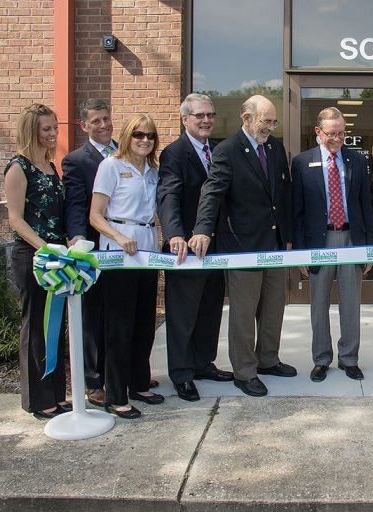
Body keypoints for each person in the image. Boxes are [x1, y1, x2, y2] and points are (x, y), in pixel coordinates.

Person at [189, 95, 295, 397]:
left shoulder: (275, 148)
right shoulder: (227, 151)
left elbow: (281, 195)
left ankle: (268, 360)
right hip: (242, 245)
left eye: (274, 122)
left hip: (273, 244)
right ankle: (244, 371)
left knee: (274, 306)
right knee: (244, 313)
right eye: (266, 122)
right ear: (246, 118)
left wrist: (287, 236)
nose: (270, 128)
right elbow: (212, 192)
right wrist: (202, 230)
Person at [291, 107, 373, 382]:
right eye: (332, 134)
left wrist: (369, 249)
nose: (338, 139)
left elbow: (366, 206)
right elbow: (298, 211)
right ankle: (321, 359)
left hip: (351, 239)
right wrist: (301, 252)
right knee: (319, 304)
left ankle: (349, 359)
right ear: (318, 132)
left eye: (342, 133)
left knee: (351, 304)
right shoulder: (302, 163)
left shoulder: (355, 161)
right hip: (319, 240)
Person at [157, 93, 232, 402]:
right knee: (183, 314)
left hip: (216, 247)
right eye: (200, 115)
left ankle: (202, 363)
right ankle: (182, 373)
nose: (206, 120)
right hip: (185, 248)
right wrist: (174, 234)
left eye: (210, 115)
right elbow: (168, 195)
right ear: (184, 119)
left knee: (210, 309)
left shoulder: (217, 150)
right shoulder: (174, 153)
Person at [90, 114, 164, 419]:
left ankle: (138, 383)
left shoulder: (153, 171)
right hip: (119, 252)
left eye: (149, 135)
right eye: (138, 135)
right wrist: (118, 237)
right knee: (119, 327)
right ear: (127, 135)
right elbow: (95, 215)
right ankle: (116, 395)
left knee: (145, 322)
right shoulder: (111, 166)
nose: (144, 140)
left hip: (147, 247)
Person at [4, 103, 71, 420]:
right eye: (46, 129)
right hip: (33, 255)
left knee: (56, 326)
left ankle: (57, 394)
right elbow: (16, 220)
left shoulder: (50, 166)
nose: (53, 134)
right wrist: (46, 247)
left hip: (57, 256)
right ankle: (38, 400)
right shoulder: (18, 168)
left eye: (54, 128)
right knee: (36, 327)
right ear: (31, 131)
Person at [62, 98, 117, 408]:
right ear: (84, 126)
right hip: (95, 248)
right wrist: (78, 239)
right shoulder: (76, 161)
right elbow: (75, 205)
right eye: (96, 121)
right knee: (93, 317)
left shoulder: (126, 151)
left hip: (125, 248)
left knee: (118, 313)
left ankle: (120, 373)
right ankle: (94, 383)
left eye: (106, 118)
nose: (104, 125)